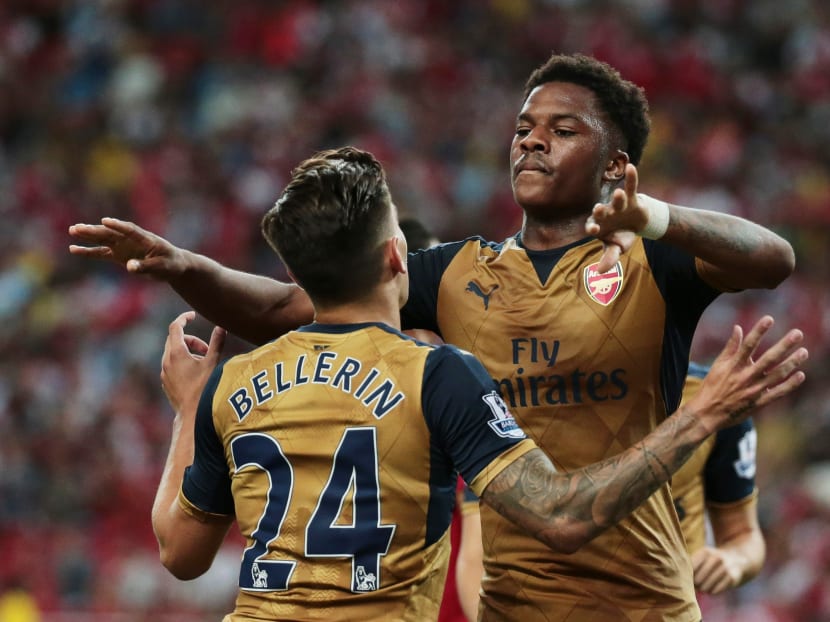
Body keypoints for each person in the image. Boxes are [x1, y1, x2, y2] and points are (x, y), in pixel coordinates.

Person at [69, 53, 800, 621]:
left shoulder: (653, 261)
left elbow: (773, 257)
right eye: (523, 127)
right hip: (513, 606)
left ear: (616, 164)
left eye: (563, 129)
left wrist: (658, 219)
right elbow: (294, 305)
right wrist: (182, 264)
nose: (533, 140)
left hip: (646, 600)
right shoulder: (456, 274)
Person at [672, 363, 766, 596]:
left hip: (668, 607)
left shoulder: (717, 398)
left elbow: (743, 535)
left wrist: (735, 558)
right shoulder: (568, 398)